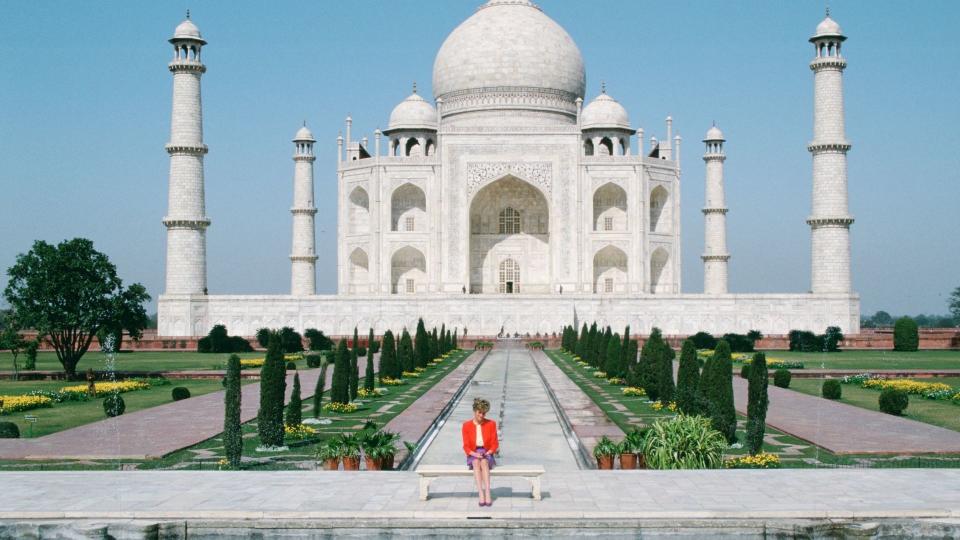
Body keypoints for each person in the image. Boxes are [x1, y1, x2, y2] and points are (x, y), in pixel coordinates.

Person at [462, 397, 498, 507]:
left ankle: (487, 492)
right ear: (475, 411)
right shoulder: (466, 425)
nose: (481, 415)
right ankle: (480, 493)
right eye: (479, 413)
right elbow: (466, 446)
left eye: (484, 413)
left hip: (486, 451)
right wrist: (474, 454)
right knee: (476, 462)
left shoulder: (491, 424)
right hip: (473, 452)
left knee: (484, 462)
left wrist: (488, 452)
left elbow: (495, 444)